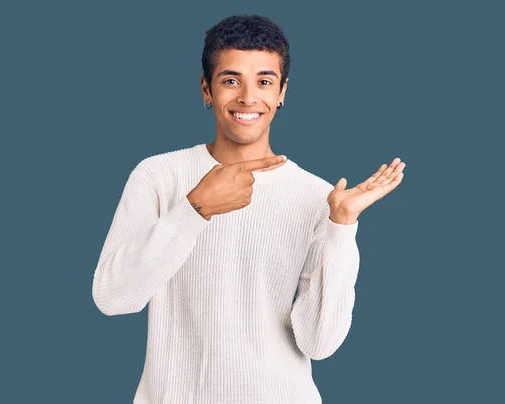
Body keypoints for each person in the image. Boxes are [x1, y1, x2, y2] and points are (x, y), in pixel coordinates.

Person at [92, 14, 405, 404]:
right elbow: (113, 298)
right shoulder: (158, 176)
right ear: (207, 89)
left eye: (264, 81)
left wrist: (341, 227)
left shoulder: (317, 197)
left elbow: (319, 343)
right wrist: (195, 209)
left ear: (282, 92)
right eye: (230, 80)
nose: (248, 98)